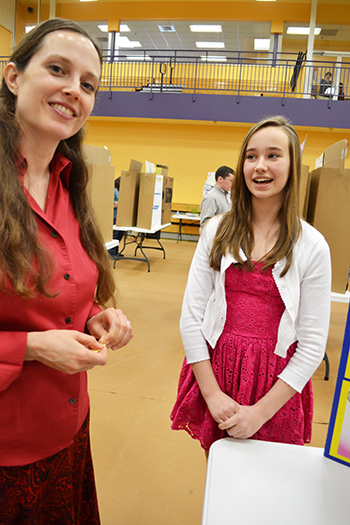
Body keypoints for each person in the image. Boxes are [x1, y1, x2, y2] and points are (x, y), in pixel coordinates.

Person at [0, 18, 133, 524]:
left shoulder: (68, 184)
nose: (73, 90)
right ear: (14, 77)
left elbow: (66, 287)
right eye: (57, 69)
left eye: (88, 83)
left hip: (68, 434)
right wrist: (32, 348)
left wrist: (95, 314)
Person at [171, 116, 331, 455]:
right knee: (222, 475)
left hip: (276, 386)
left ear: (292, 166)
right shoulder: (216, 231)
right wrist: (212, 395)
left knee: (270, 490)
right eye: (251, 156)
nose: (260, 166)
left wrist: (260, 413)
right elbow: (191, 318)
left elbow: (313, 344)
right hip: (217, 373)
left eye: (273, 155)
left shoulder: (312, 245)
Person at [200, 165, 234, 229]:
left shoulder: (226, 196)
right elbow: (205, 223)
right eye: (231, 181)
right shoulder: (211, 197)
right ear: (220, 179)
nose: (233, 184)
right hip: (214, 238)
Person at [108, 176, 124, 258]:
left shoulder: (120, 191)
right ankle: (111, 253)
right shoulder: (113, 191)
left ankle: (115, 252)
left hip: (119, 216)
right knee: (115, 235)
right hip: (114, 217)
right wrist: (121, 203)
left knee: (119, 234)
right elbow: (110, 202)